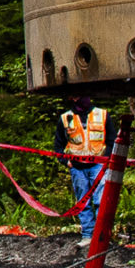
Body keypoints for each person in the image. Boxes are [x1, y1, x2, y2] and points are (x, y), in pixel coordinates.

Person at [55, 94, 112, 242]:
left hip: (98, 164)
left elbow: (111, 140)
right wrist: (64, 161)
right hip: (77, 167)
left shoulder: (102, 114)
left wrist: (107, 158)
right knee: (83, 202)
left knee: (101, 200)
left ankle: (102, 236)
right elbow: (58, 145)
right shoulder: (65, 118)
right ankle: (88, 234)